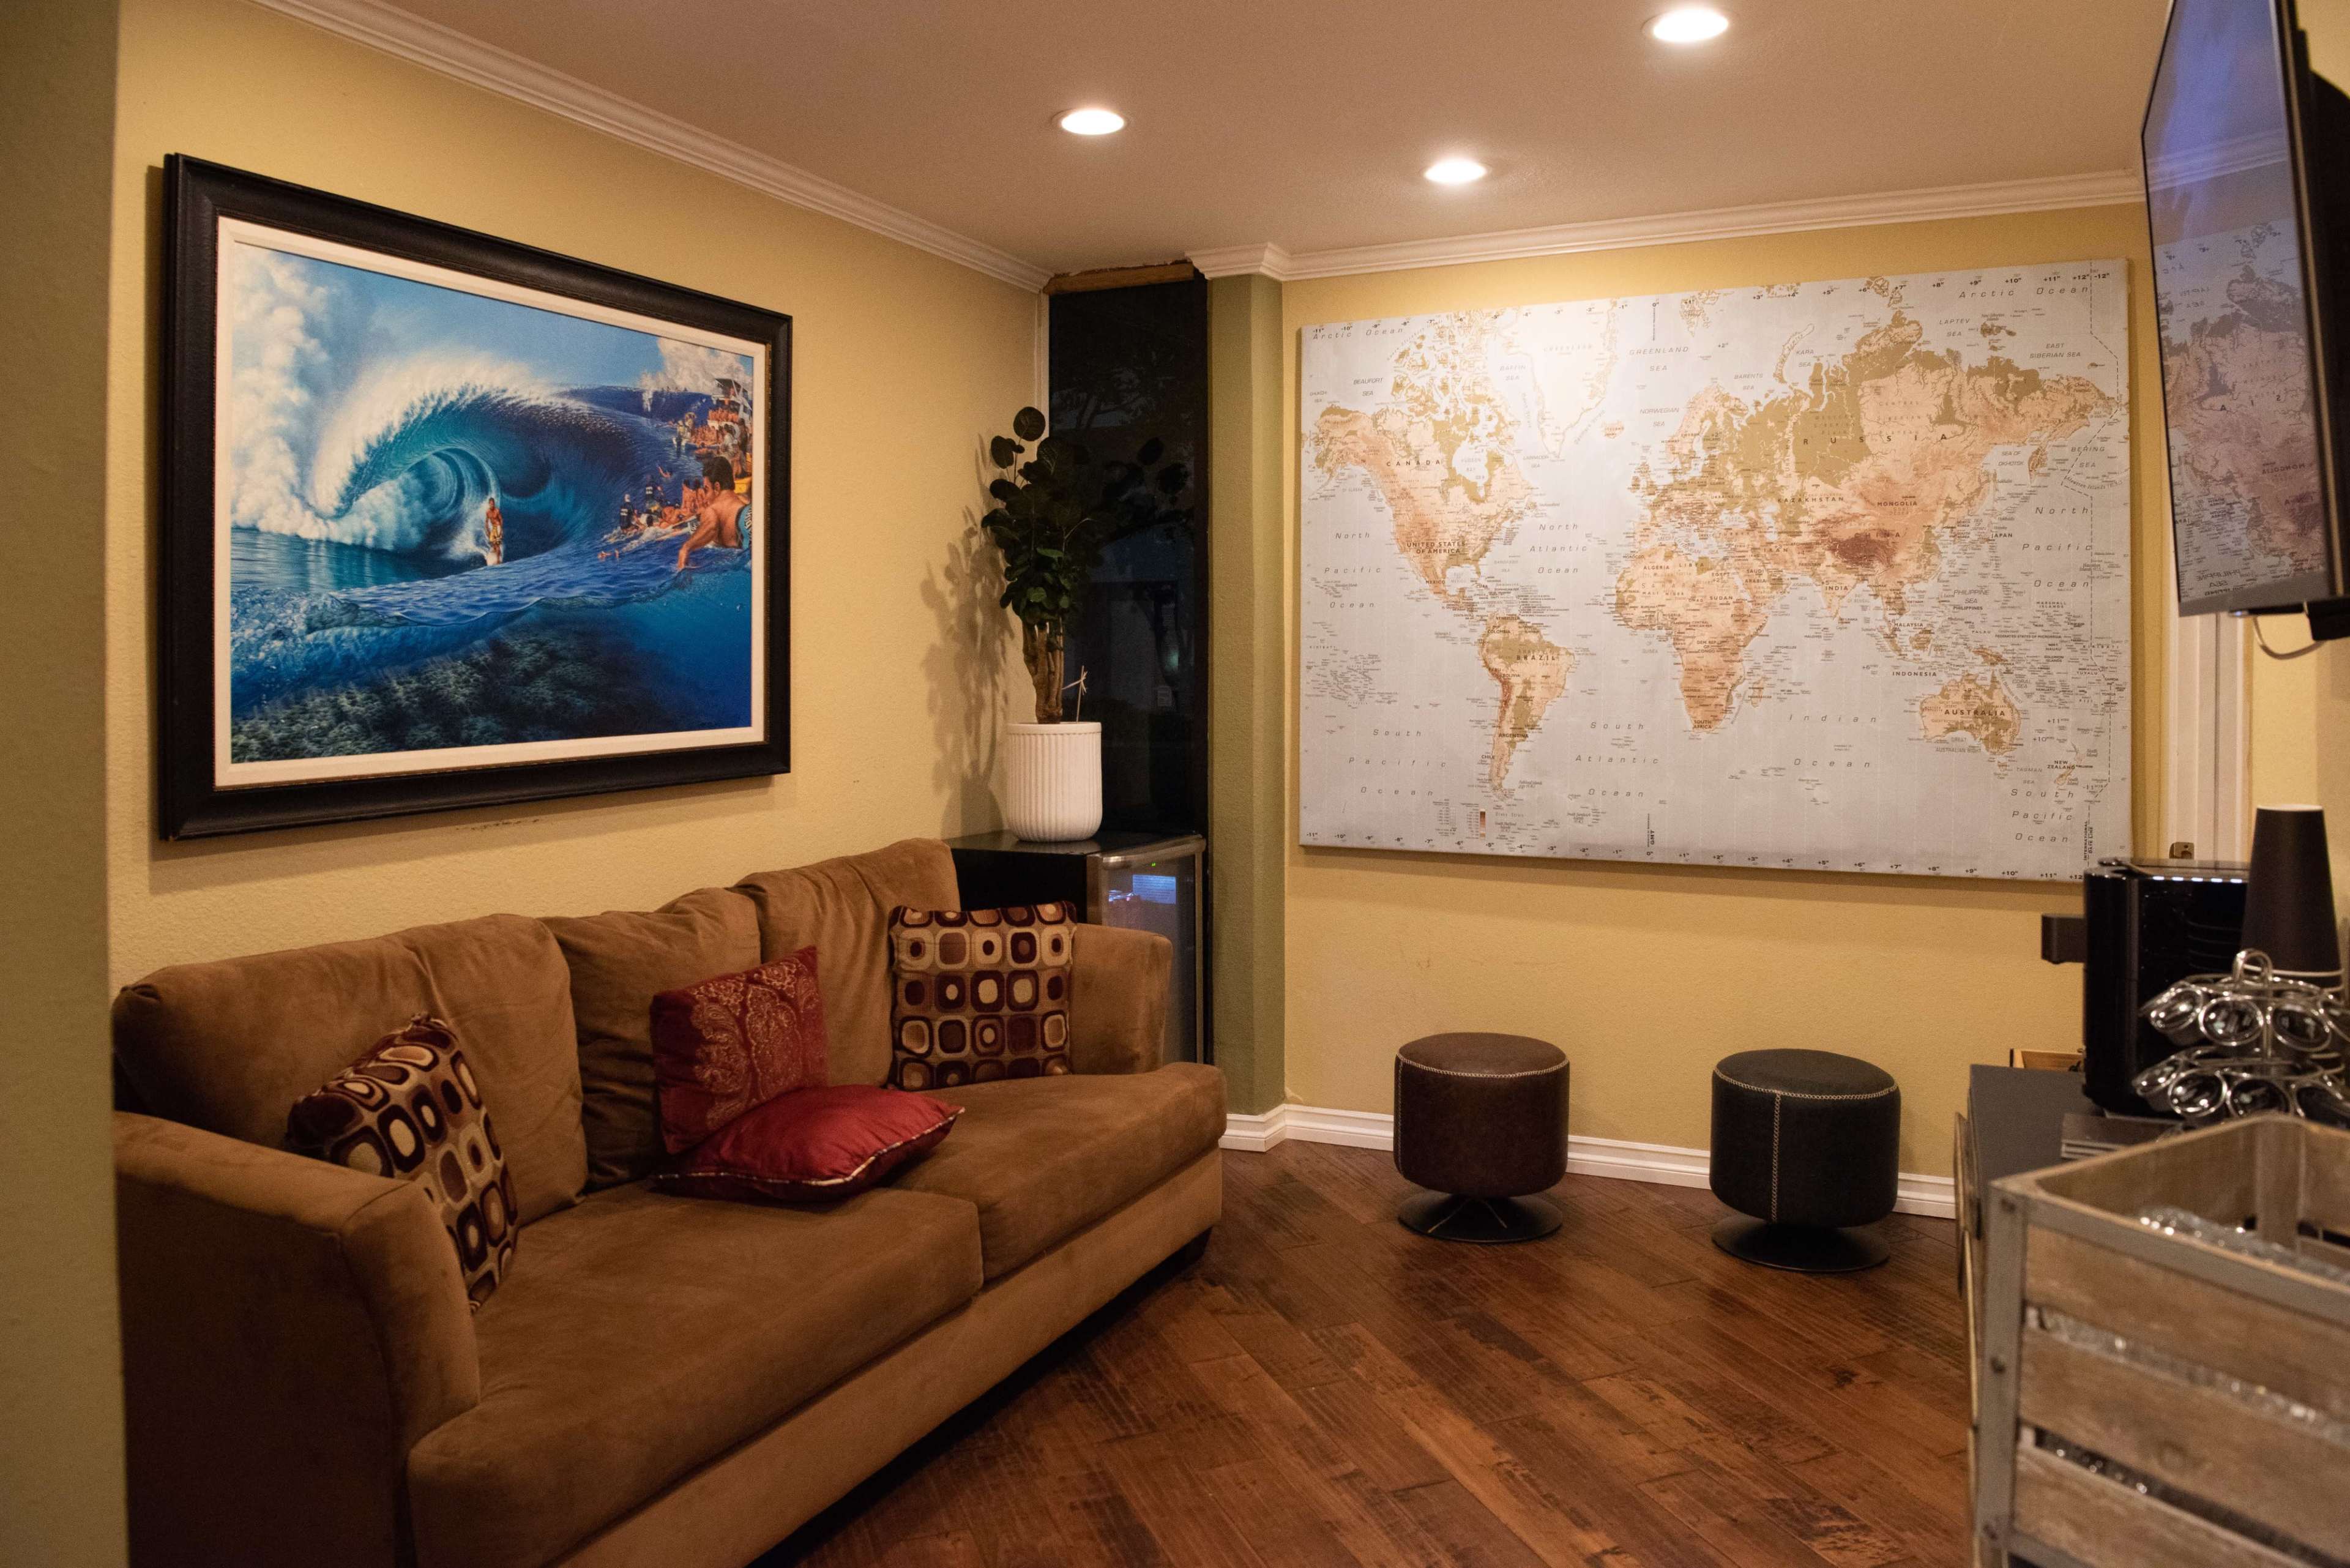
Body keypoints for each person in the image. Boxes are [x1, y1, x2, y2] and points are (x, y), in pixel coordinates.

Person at [676, 454, 751, 570]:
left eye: (706, 490)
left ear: (717, 487)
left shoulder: (713, 509)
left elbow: (712, 526)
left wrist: (685, 548)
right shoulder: (742, 499)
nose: (706, 498)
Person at [482, 495, 505, 566]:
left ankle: (498, 560)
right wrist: (487, 530)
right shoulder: (488, 512)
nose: (492, 505)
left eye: (493, 504)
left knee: (497, 544)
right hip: (494, 528)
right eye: (491, 504)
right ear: (489, 504)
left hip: (498, 527)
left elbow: (501, 520)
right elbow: (486, 522)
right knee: (492, 542)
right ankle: (496, 551)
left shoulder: (497, 510)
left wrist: (501, 529)